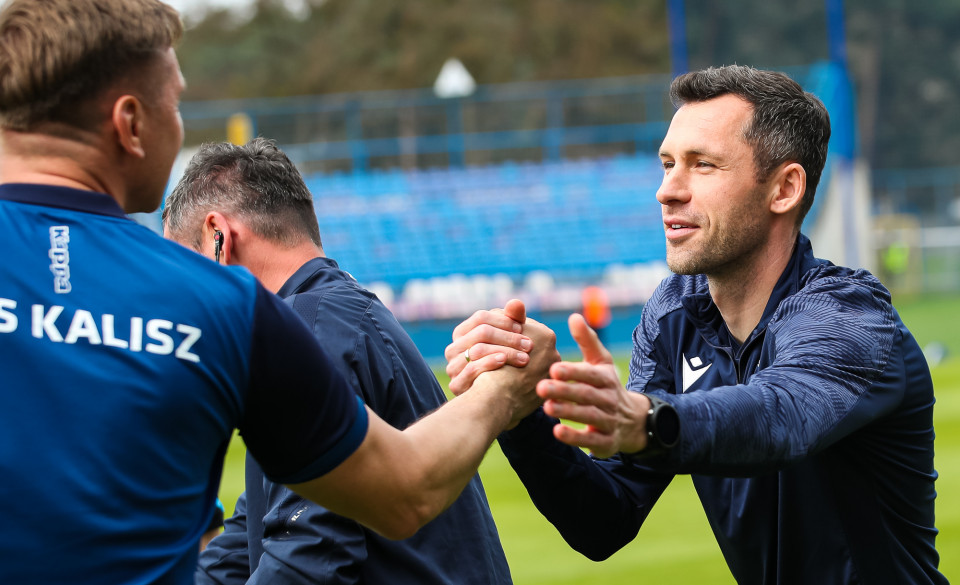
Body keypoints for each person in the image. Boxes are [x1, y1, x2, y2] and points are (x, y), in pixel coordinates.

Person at [0, 1, 553, 583]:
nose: (180, 124)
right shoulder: (221, 302)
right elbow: (403, 491)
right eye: (177, 102)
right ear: (131, 122)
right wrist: (502, 391)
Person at [444, 65, 947, 584]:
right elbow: (604, 520)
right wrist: (525, 409)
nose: (667, 191)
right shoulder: (672, 315)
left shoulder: (849, 314)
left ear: (784, 189)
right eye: (667, 164)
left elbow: (780, 416)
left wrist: (647, 420)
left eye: (703, 165)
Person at [162, 138, 516, 584]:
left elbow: (308, 557)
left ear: (219, 238)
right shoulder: (328, 316)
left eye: (183, 269)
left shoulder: (306, 328)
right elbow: (252, 530)